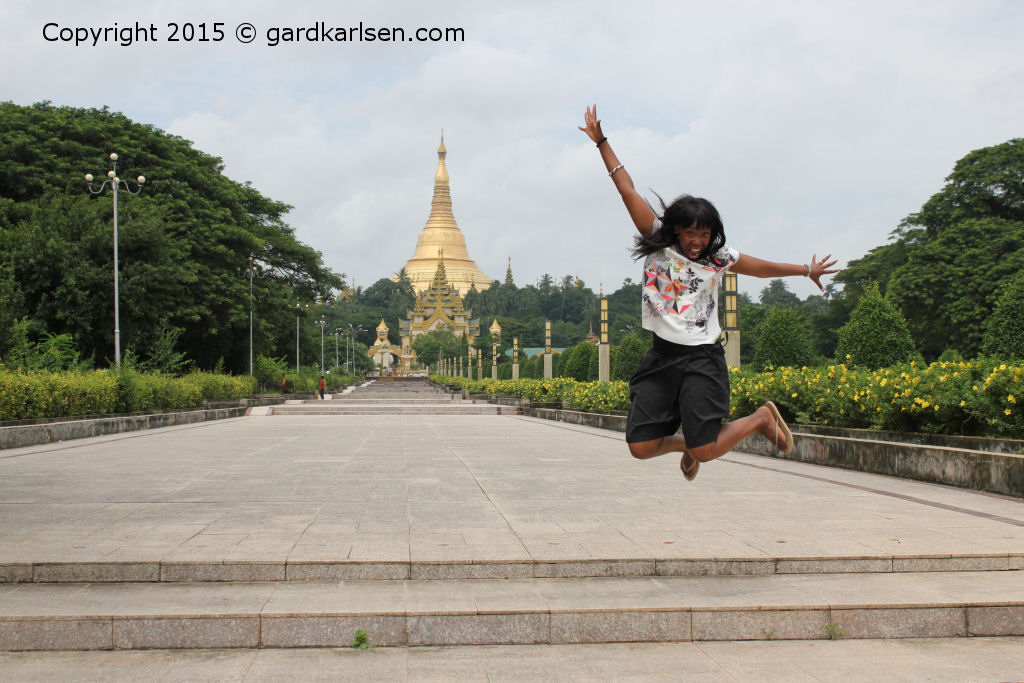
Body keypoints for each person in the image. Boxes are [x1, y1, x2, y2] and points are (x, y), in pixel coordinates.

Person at [579, 105, 838, 481]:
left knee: (706, 449)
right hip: (661, 357)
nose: (697, 241)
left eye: (704, 234)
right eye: (690, 233)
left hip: (701, 358)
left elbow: (762, 268)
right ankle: (690, 444)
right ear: (677, 230)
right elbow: (625, 188)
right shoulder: (657, 241)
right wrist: (601, 141)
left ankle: (760, 419)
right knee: (641, 446)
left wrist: (805, 270)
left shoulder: (719, 257)